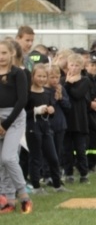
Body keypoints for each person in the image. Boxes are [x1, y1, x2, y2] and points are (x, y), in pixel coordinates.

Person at [0, 39, 33, 214]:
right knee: (1, 162)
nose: (1, 57)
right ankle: (8, 201)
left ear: (12, 54)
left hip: (14, 118)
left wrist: (6, 124)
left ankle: (24, 195)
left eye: (4, 53)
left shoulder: (18, 73)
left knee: (8, 158)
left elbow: (22, 100)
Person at [25, 64, 67, 194]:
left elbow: (51, 109)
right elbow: (24, 113)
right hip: (33, 128)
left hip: (46, 127)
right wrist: (36, 111)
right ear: (33, 76)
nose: (42, 79)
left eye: (44, 76)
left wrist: (51, 110)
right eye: (39, 76)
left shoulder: (48, 92)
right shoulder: (28, 93)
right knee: (36, 157)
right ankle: (36, 186)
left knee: (53, 157)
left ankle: (57, 185)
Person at [63, 53, 91, 184]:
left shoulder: (85, 80)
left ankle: (84, 174)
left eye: (76, 65)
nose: (73, 68)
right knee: (67, 149)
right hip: (66, 118)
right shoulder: (64, 79)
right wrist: (66, 83)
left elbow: (77, 95)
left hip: (79, 119)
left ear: (81, 67)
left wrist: (69, 84)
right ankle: (68, 173)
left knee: (80, 148)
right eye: (71, 65)